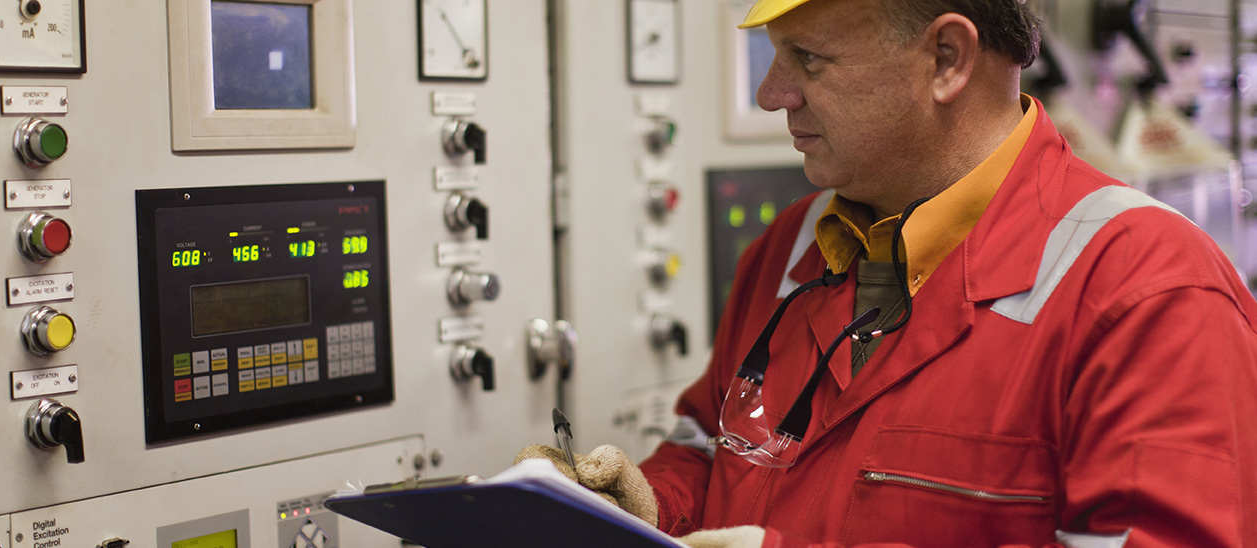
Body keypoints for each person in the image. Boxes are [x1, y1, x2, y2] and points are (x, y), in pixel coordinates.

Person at [519, 0, 1257, 545]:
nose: (771, 93)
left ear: (946, 59)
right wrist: (644, 509)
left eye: (809, 59)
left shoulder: (1148, 292)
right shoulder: (790, 248)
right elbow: (713, 449)